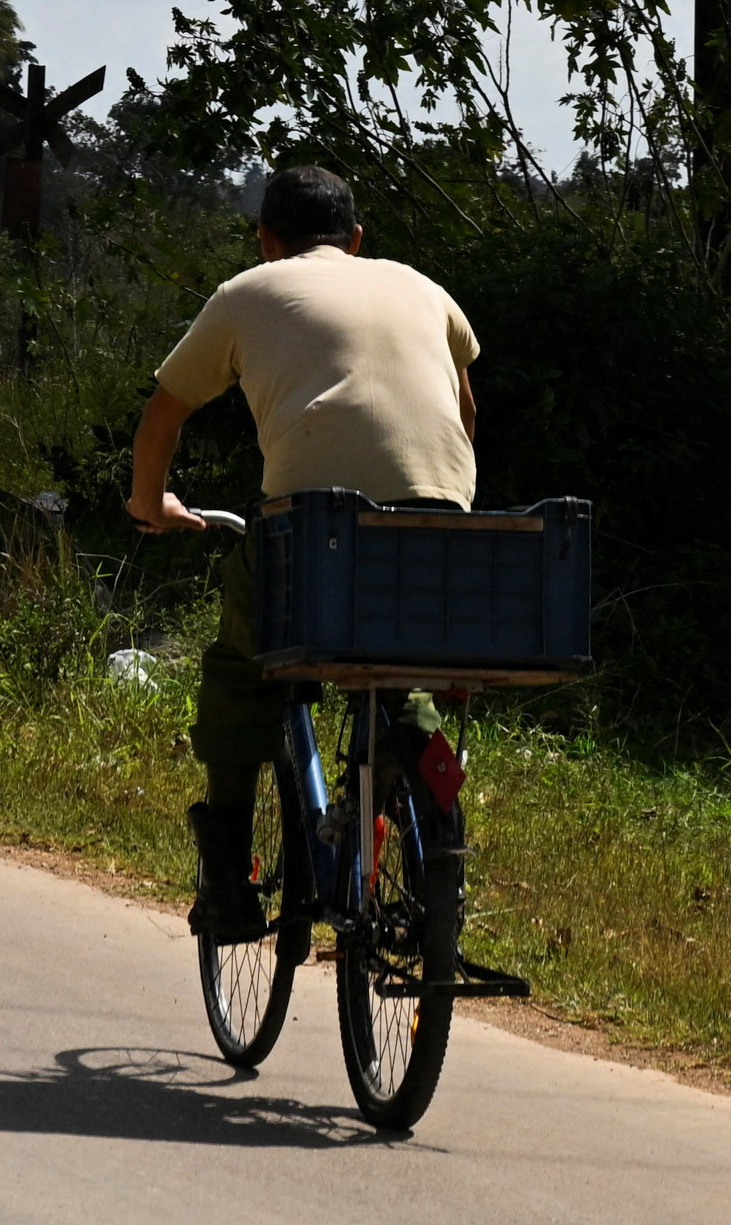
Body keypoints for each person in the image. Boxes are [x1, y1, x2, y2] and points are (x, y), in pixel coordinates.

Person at [126, 161, 481, 944]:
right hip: (438, 534)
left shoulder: (249, 292)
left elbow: (164, 414)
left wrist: (151, 505)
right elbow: (464, 408)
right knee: (403, 673)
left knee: (238, 668)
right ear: (356, 239)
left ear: (265, 240)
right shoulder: (424, 288)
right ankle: (422, 791)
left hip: (315, 531)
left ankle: (226, 877)